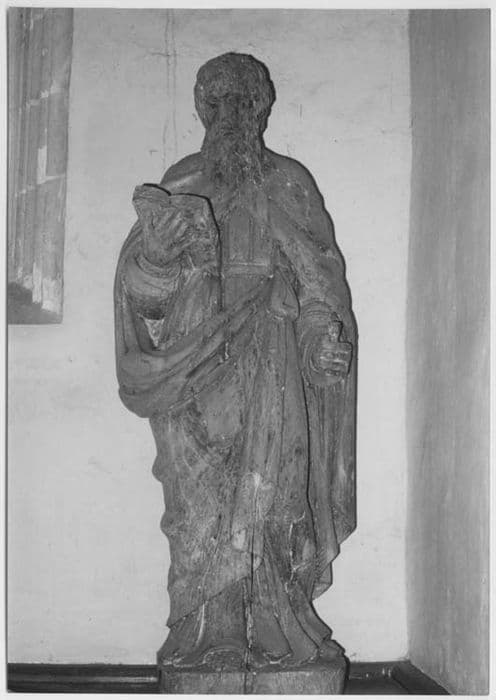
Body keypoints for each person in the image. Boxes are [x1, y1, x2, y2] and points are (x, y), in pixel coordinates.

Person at [114, 52, 357, 672]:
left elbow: (319, 282)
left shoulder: (290, 183)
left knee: (275, 496)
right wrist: (156, 258)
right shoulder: (182, 182)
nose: (230, 115)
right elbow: (144, 299)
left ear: (262, 110)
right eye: (218, 102)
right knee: (196, 509)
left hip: (272, 356)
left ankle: (278, 628)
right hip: (193, 366)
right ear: (202, 110)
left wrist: (320, 343)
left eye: (243, 102)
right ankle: (204, 635)